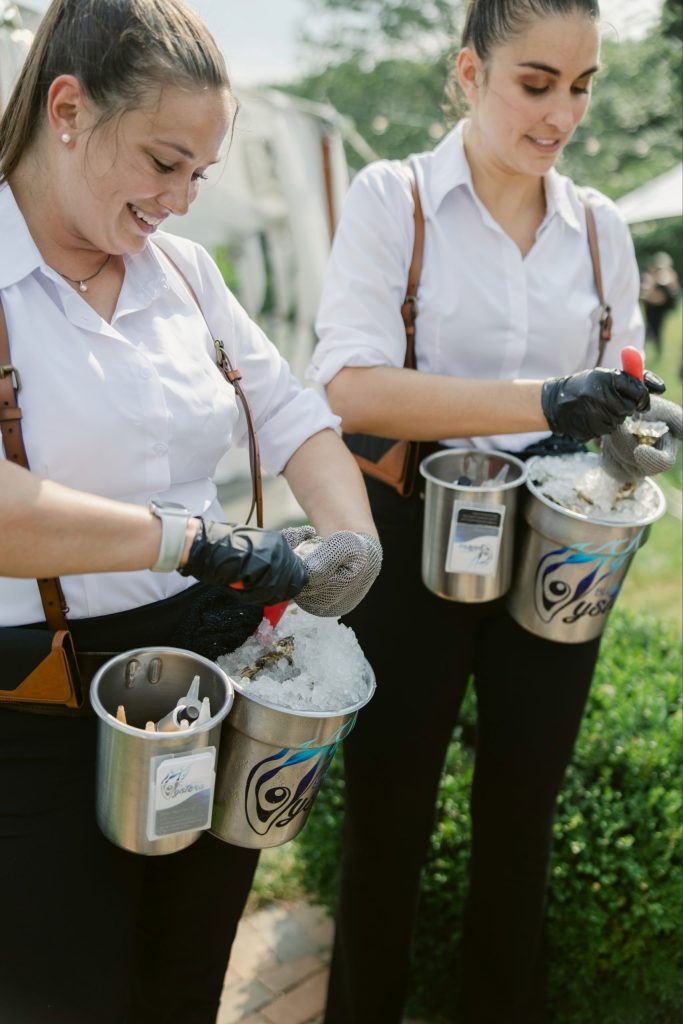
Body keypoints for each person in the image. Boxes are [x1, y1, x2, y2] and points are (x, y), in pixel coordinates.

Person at [0, 2, 381, 1022]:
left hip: (205, 666)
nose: (178, 201)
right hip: (34, 701)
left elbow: (294, 415)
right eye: (163, 162)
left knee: (182, 979)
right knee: (61, 993)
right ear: (68, 109)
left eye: (199, 176)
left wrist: (346, 545)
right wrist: (199, 540)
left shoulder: (184, 274)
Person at [306, 1, 682, 1022]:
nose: (561, 112)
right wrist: (543, 399)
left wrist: (645, 433)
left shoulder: (600, 224)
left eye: (581, 85)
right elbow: (346, 385)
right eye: (534, 81)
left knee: (520, 818)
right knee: (387, 819)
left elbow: (611, 414)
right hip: (412, 531)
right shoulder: (396, 199)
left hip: (555, 545)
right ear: (468, 71)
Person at [640, 251, 680, 356]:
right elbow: (647, 294)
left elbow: (664, 297)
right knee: (649, 329)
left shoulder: (669, 278)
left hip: (659, 310)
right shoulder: (651, 278)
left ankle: (656, 351)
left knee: (656, 331)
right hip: (652, 309)